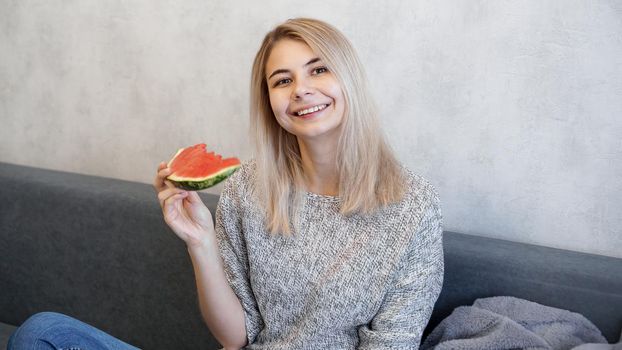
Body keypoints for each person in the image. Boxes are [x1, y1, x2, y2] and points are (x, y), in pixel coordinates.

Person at [7, 17, 443, 350]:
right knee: (43, 332)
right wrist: (200, 242)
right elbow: (236, 337)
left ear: (348, 79)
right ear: (269, 101)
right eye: (283, 80)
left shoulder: (413, 207)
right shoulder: (248, 188)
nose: (301, 90)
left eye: (319, 70)